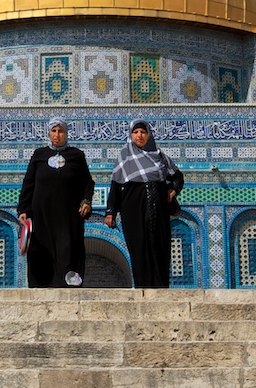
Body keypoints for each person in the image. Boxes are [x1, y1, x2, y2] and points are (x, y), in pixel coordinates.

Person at [104, 118, 184, 288]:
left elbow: (177, 176)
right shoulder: (124, 157)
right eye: (135, 132)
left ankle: (161, 286)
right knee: (139, 247)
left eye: (142, 132)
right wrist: (110, 211)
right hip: (133, 209)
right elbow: (116, 186)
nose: (139, 135)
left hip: (159, 209)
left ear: (148, 135)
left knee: (160, 245)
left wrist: (173, 190)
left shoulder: (159, 155)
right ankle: (143, 286)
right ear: (131, 135)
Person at [17, 117, 94, 287]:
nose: (57, 135)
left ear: (66, 134)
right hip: (41, 216)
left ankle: (69, 289)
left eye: (61, 131)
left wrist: (86, 201)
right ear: (49, 133)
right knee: (41, 254)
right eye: (54, 131)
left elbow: (88, 182)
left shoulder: (76, 155)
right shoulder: (39, 155)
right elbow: (28, 183)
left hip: (68, 217)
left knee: (68, 251)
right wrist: (23, 209)